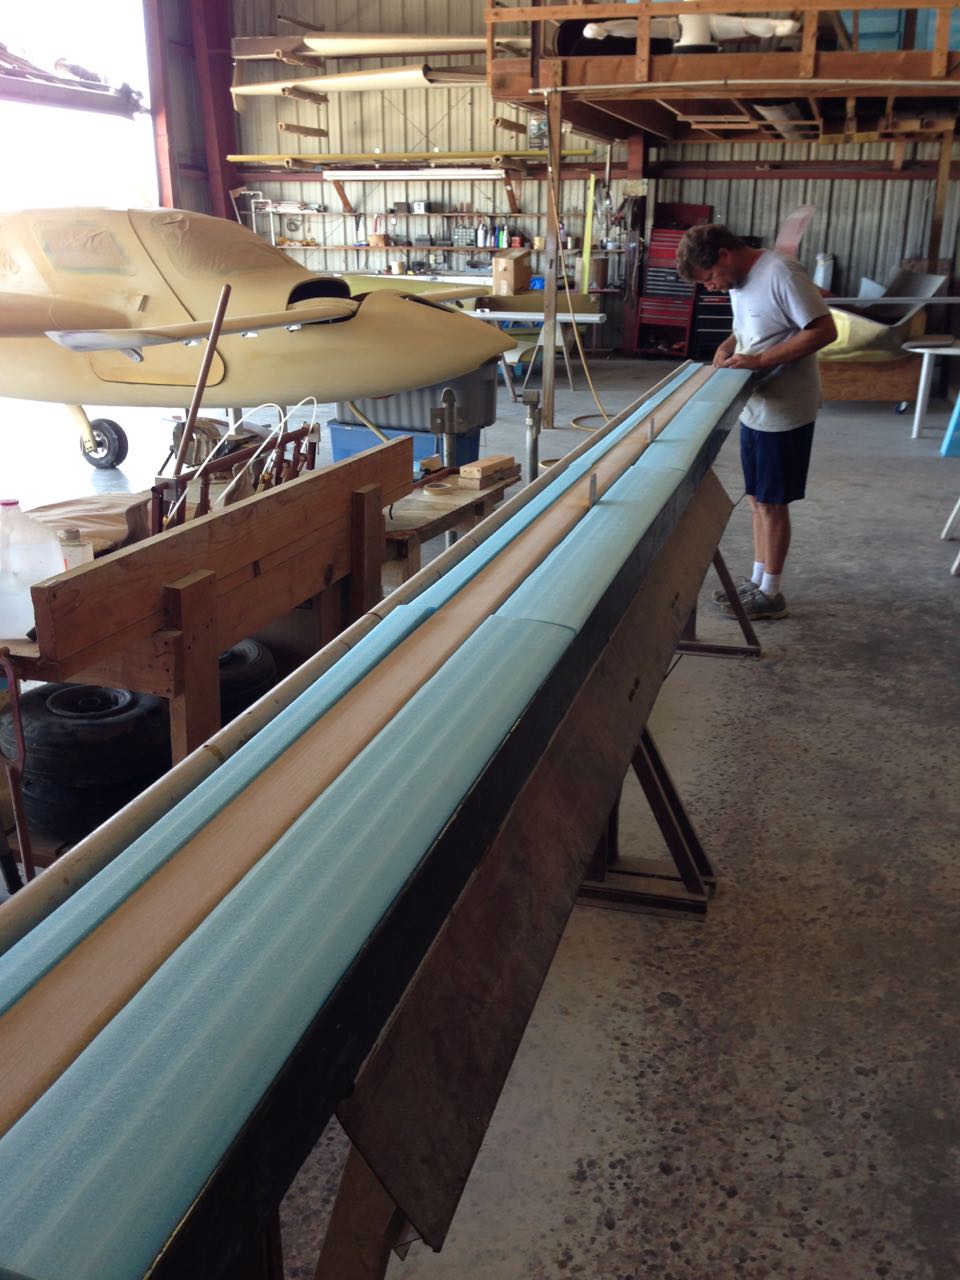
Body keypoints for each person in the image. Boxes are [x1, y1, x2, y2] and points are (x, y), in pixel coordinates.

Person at [675, 224, 837, 620]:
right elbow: (749, 325)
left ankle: (771, 593)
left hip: (786, 408)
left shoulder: (782, 273)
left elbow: (824, 331)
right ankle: (757, 581)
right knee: (757, 499)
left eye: (710, 277)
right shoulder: (738, 280)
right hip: (756, 402)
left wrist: (760, 360)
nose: (712, 287)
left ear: (724, 255)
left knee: (773, 503)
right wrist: (728, 345)